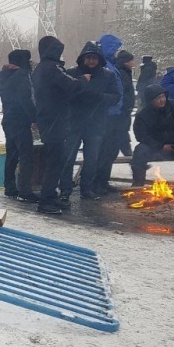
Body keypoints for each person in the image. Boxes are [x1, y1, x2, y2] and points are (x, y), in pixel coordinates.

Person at [31, 36, 89, 214]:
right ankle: (47, 200)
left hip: (47, 118)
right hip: (55, 120)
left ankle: (50, 195)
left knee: (54, 159)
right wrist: (83, 80)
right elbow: (69, 85)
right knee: (55, 161)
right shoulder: (53, 68)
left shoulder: (40, 69)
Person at [60, 41, 120, 201]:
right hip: (74, 122)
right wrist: (79, 92)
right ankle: (65, 188)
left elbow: (116, 96)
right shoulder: (72, 73)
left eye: (94, 58)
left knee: (92, 159)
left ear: (99, 59)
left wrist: (100, 97)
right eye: (88, 58)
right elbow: (63, 94)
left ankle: (87, 188)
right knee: (68, 157)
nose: (91, 61)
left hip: (96, 124)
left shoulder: (108, 75)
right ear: (82, 58)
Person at [131, 85, 174, 186]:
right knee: (140, 151)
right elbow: (141, 135)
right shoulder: (143, 115)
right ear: (150, 100)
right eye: (158, 98)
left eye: (162, 97)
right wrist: (159, 146)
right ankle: (138, 184)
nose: (162, 100)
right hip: (154, 147)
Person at [0, 49, 38, 203]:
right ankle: (25, 191)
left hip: (8, 119)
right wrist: (34, 117)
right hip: (20, 120)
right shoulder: (21, 76)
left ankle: (10, 187)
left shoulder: (4, 74)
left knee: (12, 154)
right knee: (26, 155)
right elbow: (25, 99)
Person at [95, 49, 136, 193]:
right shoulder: (120, 73)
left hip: (121, 115)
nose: (133, 63)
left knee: (113, 148)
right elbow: (121, 93)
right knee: (108, 149)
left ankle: (103, 180)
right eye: (131, 60)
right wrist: (124, 108)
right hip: (117, 115)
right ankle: (99, 181)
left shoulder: (123, 72)